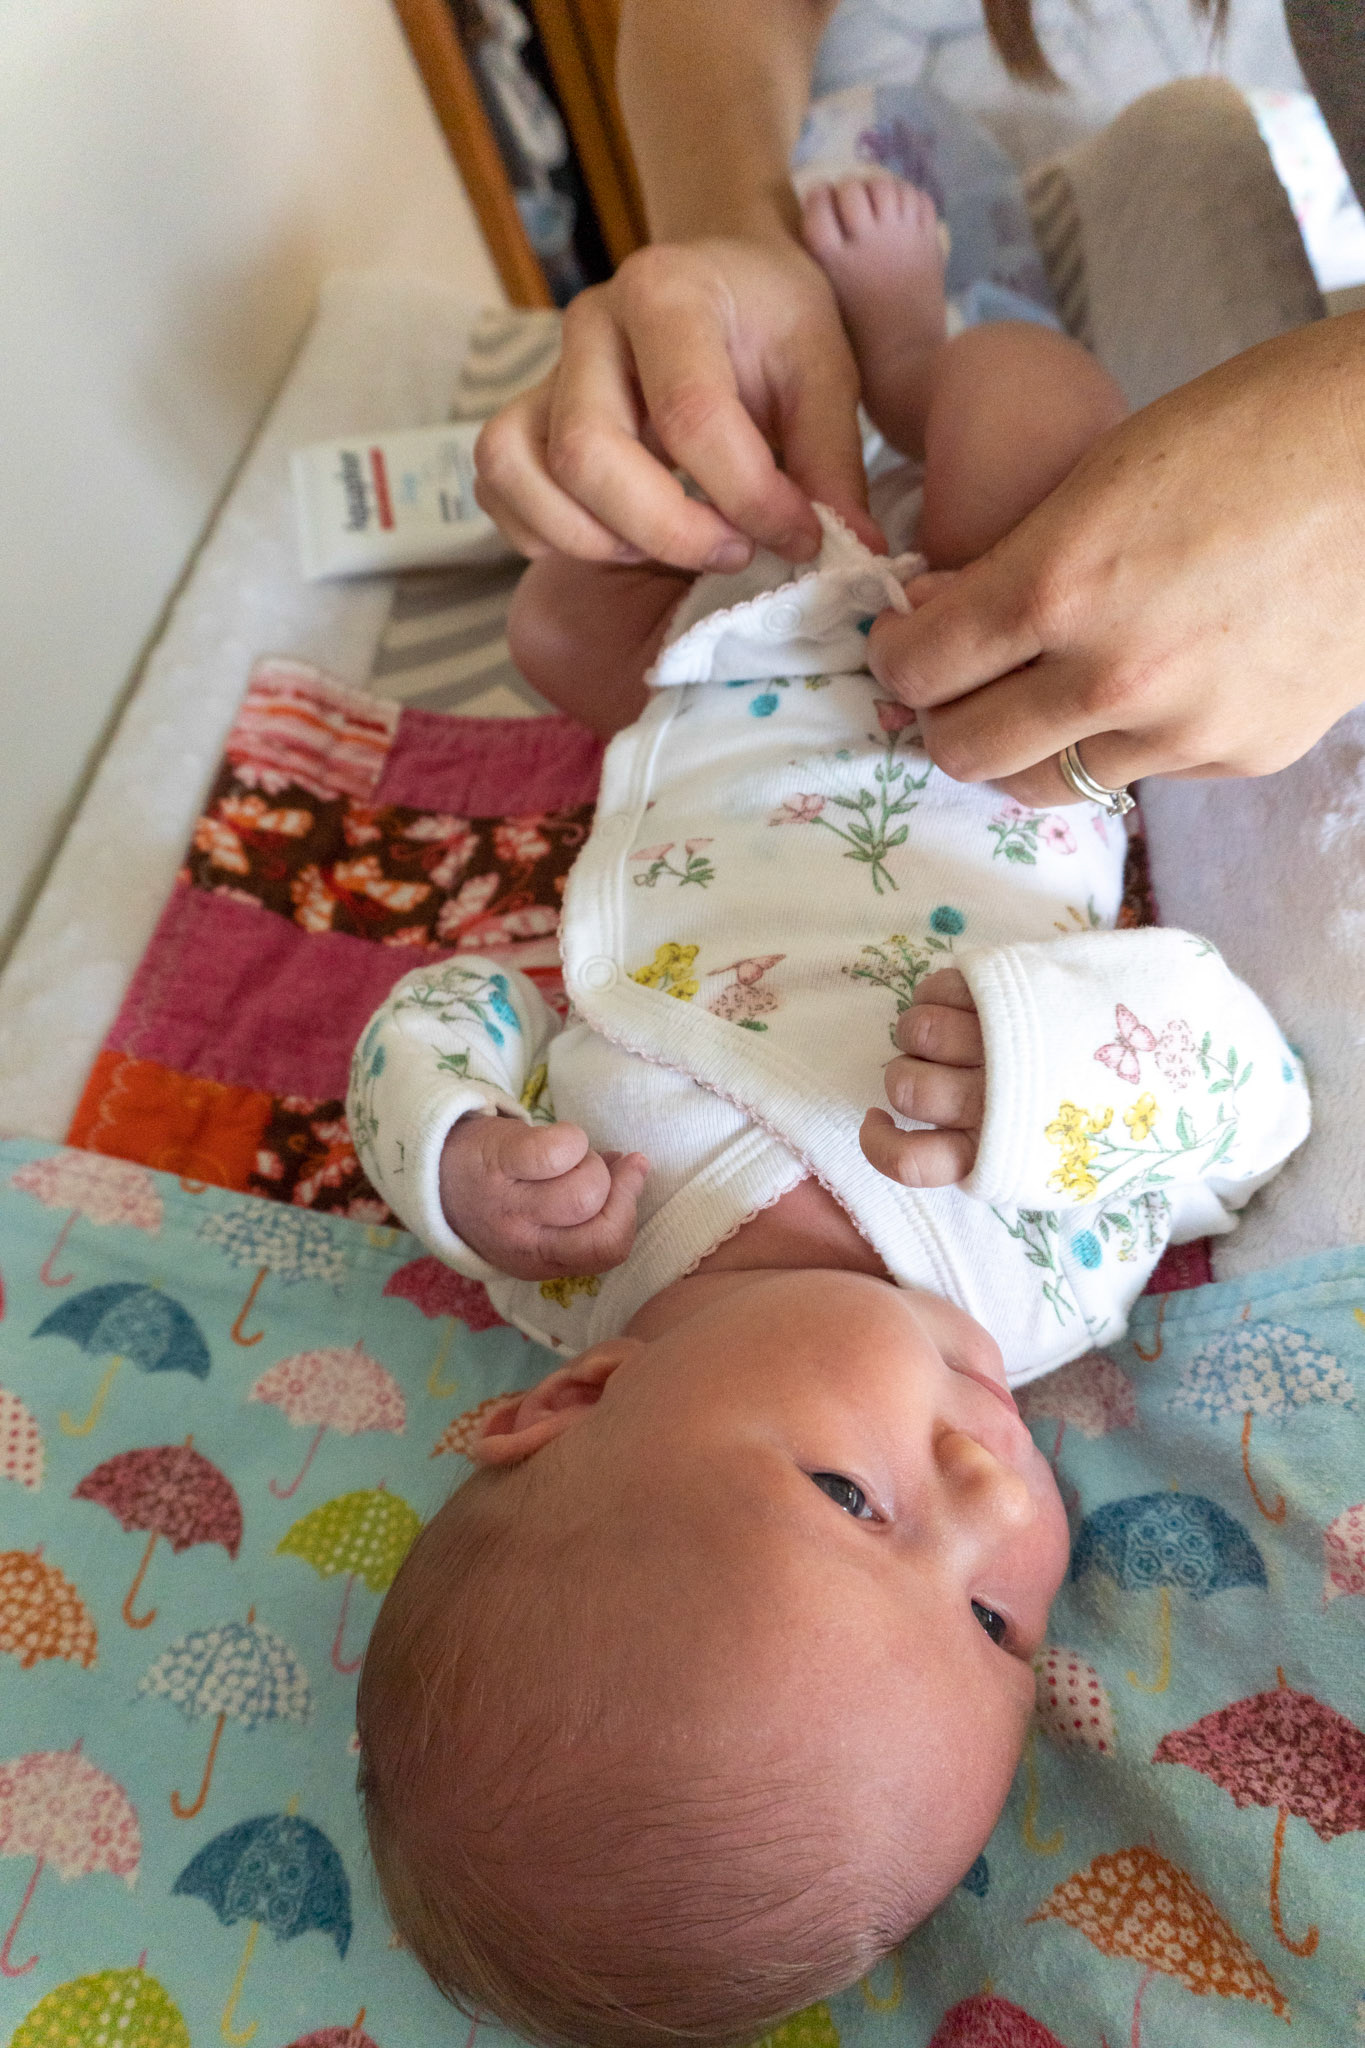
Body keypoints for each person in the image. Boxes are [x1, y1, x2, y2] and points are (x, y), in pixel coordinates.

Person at [352, 181, 1310, 2048]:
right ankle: (916, 346)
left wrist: (450, 1147)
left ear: (573, 1402)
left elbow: (451, 1005)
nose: (992, 1502)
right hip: (996, 690)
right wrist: (1052, 1066)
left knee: (558, 611)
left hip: (712, 699)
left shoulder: (560, 1250)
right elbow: (1244, 1098)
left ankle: (830, 363)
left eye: (852, 1501)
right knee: (1027, 420)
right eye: (994, 1625)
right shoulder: (1031, 1282)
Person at [472, 0, 1365, 811]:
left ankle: (900, 364)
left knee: (557, 619)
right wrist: (728, 234)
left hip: (778, 808)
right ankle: (894, 367)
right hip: (905, 749)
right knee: (555, 609)